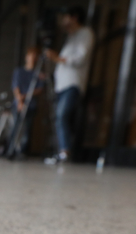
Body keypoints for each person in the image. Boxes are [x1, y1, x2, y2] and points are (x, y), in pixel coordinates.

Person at [45, 6, 94, 163]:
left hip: (72, 84)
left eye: (65, 17)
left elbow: (80, 58)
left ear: (74, 17)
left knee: (62, 116)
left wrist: (57, 58)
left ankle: (65, 151)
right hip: (62, 85)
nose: (62, 22)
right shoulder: (70, 38)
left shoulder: (85, 34)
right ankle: (64, 150)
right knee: (62, 118)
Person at [9, 47, 43, 158]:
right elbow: (16, 87)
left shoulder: (38, 74)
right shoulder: (19, 71)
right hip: (18, 104)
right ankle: (11, 149)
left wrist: (26, 95)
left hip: (31, 105)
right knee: (16, 127)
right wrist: (20, 100)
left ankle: (23, 151)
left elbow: (39, 89)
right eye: (30, 56)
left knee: (27, 129)